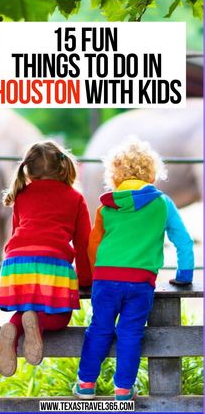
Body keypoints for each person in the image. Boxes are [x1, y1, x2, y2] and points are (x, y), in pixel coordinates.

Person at [73, 138, 194, 401]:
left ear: (115, 175)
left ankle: (85, 385)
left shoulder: (107, 206)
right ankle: (123, 390)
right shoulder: (162, 203)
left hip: (105, 280)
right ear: (152, 172)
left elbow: (92, 246)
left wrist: (95, 276)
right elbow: (183, 240)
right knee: (130, 333)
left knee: (99, 329)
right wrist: (184, 276)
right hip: (140, 282)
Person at [0, 141, 92, 377]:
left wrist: (6, 279)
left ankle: (13, 328)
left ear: (28, 170)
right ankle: (37, 322)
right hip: (52, 262)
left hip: (16, 265)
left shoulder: (22, 196)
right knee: (59, 317)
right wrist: (85, 279)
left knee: (26, 309)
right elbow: (83, 244)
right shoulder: (75, 198)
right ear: (63, 167)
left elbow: (17, 237)